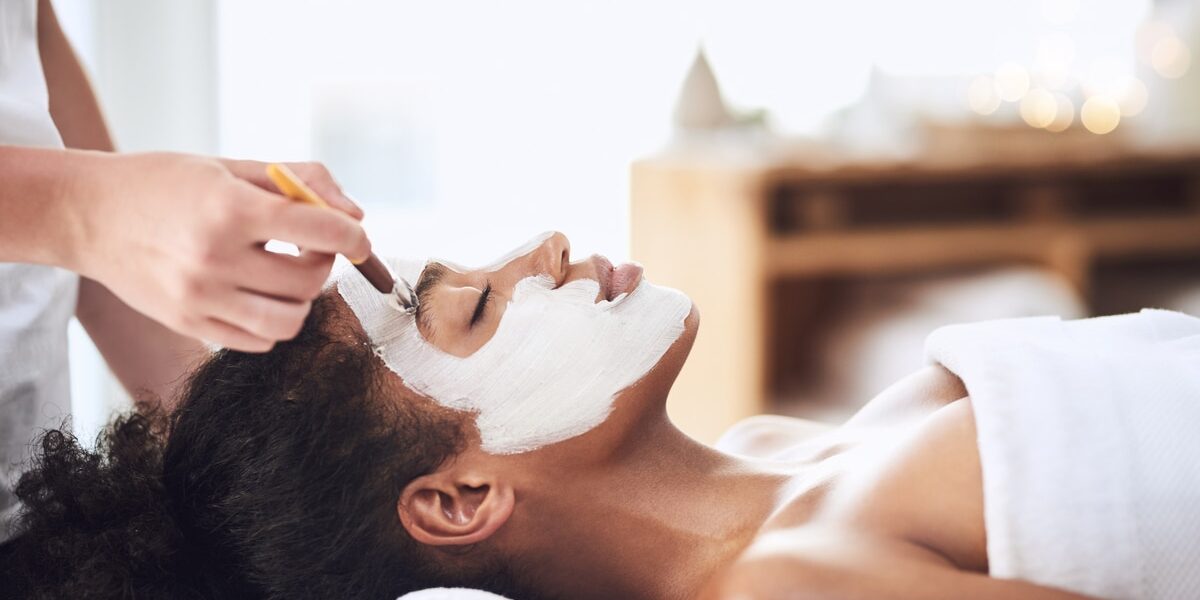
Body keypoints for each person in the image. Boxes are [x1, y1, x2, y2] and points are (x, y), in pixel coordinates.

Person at [4, 231, 1196, 599]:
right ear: (460, 500)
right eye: (474, 308)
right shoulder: (785, 588)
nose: (543, 249)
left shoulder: (774, 451)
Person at [0, 0, 368, 531]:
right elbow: (83, 220)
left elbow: (26, 28)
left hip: (31, 511)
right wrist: (84, 208)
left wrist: (234, 452)